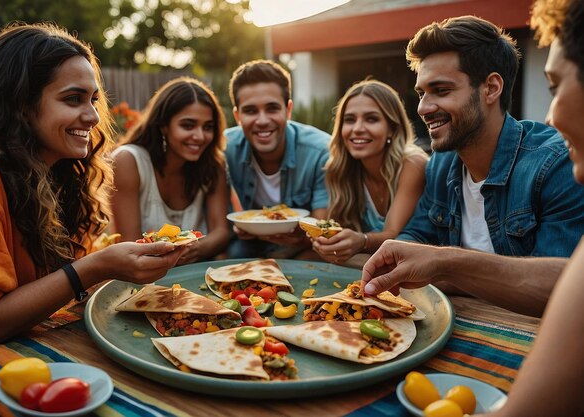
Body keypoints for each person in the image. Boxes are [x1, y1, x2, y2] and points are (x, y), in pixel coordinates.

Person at [0, 22, 183, 413]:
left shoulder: (58, 175)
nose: (93, 117)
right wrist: (92, 269)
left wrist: (112, 264)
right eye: (73, 99)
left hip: (42, 355)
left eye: (94, 100)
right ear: (20, 103)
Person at [361, 14, 584, 317]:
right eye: (421, 93)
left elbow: (565, 292)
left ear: (491, 88)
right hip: (451, 322)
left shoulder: (556, 164)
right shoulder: (441, 163)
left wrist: (446, 264)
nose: (423, 108)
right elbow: (415, 238)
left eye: (441, 90)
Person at [481, 1, 584, 415]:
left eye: (555, 86)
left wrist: (442, 263)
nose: (550, 116)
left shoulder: (548, 163)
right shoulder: (443, 167)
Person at [110, 77, 230, 264]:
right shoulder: (128, 162)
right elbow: (129, 244)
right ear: (164, 126)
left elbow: (221, 231)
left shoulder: (213, 164)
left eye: (208, 127)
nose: (199, 136)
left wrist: (197, 249)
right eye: (188, 125)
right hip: (143, 278)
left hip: (196, 272)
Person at [312, 79, 428, 265]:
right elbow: (333, 230)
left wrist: (361, 242)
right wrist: (328, 245)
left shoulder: (412, 164)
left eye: (371, 119)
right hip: (374, 267)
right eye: (349, 120)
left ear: (392, 128)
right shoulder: (341, 169)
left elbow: (393, 235)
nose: (357, 129)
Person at [224, 59, 330, 259]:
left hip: (303, 247)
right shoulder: (224, 148)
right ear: (238, 117)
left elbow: (321, 228)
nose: (262, 121)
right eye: (250, 111)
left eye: (272, 108)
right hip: (251, 244)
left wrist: (302, 238)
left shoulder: (320, 151)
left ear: (288, 110)